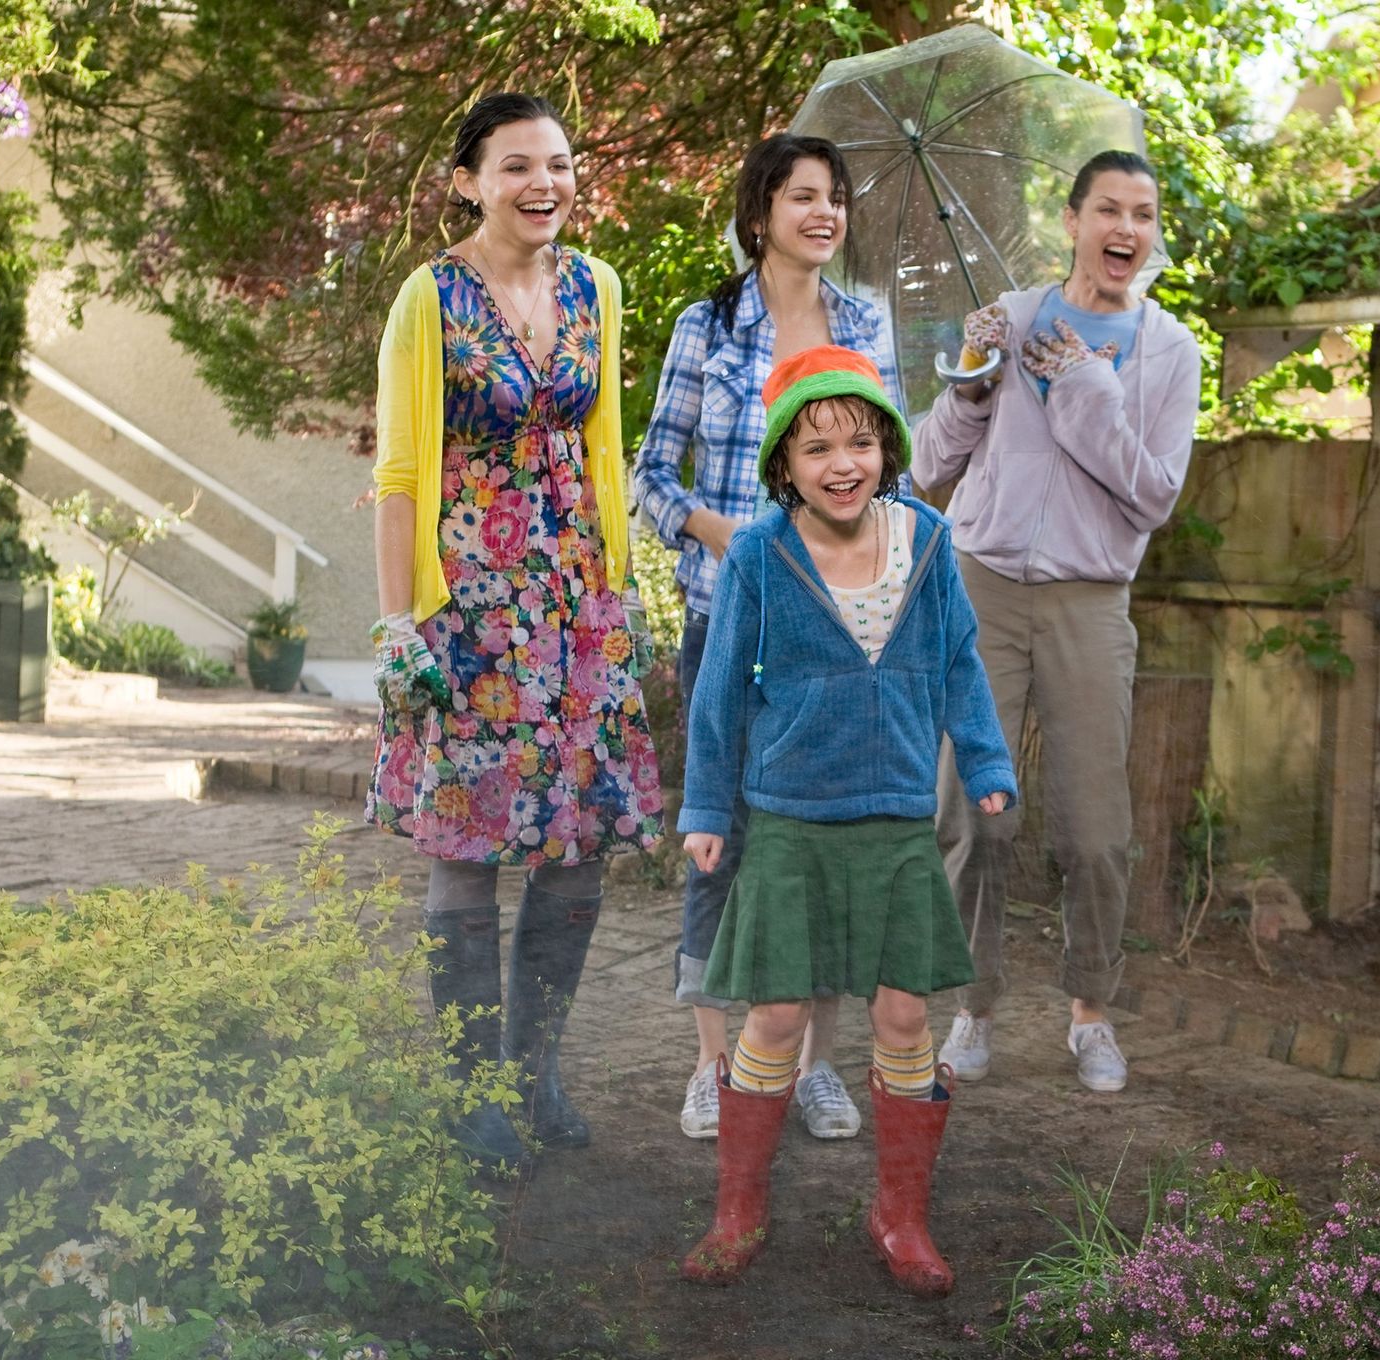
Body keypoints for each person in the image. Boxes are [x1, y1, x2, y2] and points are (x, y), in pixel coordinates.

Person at [675, 346, 1015, 1296]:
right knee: (778, 1012)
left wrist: (983, 761)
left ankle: (899, 1217)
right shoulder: (758, 553)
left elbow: (960, 665)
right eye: (817, 445)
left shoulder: (931, 542)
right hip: (790, 820)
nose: (843, 462)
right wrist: (707, 804)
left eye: (861, 440)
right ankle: (739, 1209)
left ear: (888, 449)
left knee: (906, 1015)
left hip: (898, 819)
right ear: (784, 461)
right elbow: (717, 698)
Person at [366, 92, 666, 1166]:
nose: (543, 184)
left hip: (578, 607)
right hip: (470, 610)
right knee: (466, 845)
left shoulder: (598, 287)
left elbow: (604, 449)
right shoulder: (431, 296)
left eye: (558, 164)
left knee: (575, 849)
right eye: (515, 166)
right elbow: (401, 471)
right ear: (467, 181)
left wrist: (619, 592)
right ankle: (466, 1089)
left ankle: (534, 1068)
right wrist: (401, 621)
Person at [632, 134, 904, 1144]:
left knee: (823, 850)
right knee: (722, 843)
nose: (823, 212)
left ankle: (812, 1067)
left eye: (834, 196)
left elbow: (896, 476)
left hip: (839, 636)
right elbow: (651, 479)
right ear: (760, 214)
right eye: (802, 196)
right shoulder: (707, 325)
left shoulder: (866, 321)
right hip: (728, 623)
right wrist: (735, 537)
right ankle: (717, 1067)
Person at [913, 149, 1202, 1096]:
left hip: (1089, 599)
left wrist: (1083, 385)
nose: (1127, 229)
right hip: (982, 584)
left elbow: (1153, 495)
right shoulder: (1013, 318)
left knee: (1093, 831)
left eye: (1144, 214)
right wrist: (969, 382)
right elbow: (926, 465)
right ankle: (972, 1008)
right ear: (1073, 220)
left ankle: (1090, 1011)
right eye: (1109, 209)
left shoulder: (1168, 352)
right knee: (971, 817)